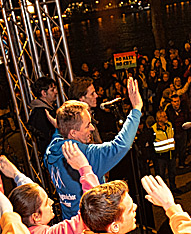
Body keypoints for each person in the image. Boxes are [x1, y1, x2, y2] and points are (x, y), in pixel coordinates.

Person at [44, 77, 142, 221]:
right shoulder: (86, 155)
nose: (91, 128)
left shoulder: (51, 150)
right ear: (73, 133)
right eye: (87, 125)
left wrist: (60, 126)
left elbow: (61, 132)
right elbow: (120, 145)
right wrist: (136, 109)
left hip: (69, 224)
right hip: (90, 225)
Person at [27, 76, 59, 156]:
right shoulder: (40, 113)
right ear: (44, 93)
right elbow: (47, 139)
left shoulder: (47, 109)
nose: (56, 92)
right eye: (52, 90)